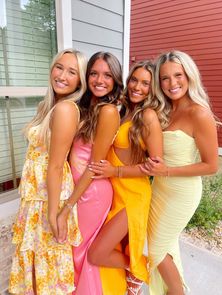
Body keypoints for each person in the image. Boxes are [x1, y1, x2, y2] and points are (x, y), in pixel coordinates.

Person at [140, 50, 220, 295]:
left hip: (182, 193)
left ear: (189, 75)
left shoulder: (199, 113)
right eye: (165, 78)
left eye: (178, 75)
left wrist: (166, 171)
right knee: (165, 246)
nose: (172, 83)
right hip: (160, 189)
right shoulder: (163, 110)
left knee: (155, 249)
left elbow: (211, 165)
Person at [8, 48, 87, 294]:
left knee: (46, 267)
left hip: (47, 198)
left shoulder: (65, 109)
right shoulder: (51, 105)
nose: (62, 75)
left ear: (79, 81)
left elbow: (55, 164)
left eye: (72, 72)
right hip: (36, 195)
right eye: (59, 67)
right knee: (36, 263)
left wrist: (54, 214)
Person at [87, 60, 163, 295]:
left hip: (134, 197)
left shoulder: (148, 115)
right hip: (115, 193)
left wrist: (115, 171)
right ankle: (133, 273)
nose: (137, 87)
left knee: (97, 253)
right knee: (115, 247)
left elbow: (155, 167)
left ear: (153, 89)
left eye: (145, 83)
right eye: (133, 80)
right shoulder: (123, 110)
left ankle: (137, 270)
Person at [55, 51, 123, 295]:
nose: (99, 80)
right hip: (75, 188)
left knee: (78, 251)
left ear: (115, 80)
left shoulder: (108, 111)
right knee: (72, 251)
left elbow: (95, 166)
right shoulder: (86, 106)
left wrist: (67, 206)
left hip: (91, 192)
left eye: (107, 75)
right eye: (94, 73)